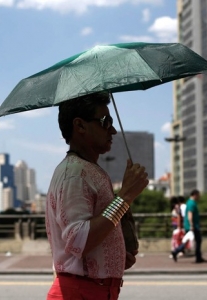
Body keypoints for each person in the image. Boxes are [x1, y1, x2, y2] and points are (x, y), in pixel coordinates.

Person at [45, 92, 149, 300]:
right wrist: (125, 196)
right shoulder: (74, 173)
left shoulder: (88, 170)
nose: (112, 129)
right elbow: (79, 241)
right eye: (104, 121)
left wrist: (115, 254)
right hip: (80, 292)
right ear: (80, 126)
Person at [171, 189, 205, 263]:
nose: (199, 197)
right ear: (195, 195)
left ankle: (176, 252)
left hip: (190, 225)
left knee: (188, 240)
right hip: (192, 226)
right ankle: (198, 257)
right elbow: (190, 215)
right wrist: (192, 225)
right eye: (198, 195)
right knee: (197, 240)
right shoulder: (191, 203)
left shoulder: (189, 203)